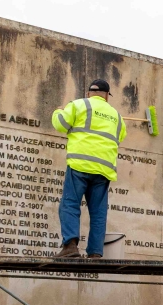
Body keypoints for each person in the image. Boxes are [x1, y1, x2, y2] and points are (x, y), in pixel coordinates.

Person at [51, 78, 126, 259]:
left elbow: (60, 124)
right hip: (103, 170)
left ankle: (70, 246)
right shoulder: (117, 117)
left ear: (88, 93)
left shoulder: (78, 105)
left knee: (70, 204)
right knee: (98, 213)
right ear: (106, 96)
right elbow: (121, 136)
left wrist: (58, 111)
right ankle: (95, 253)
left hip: (80, 164)